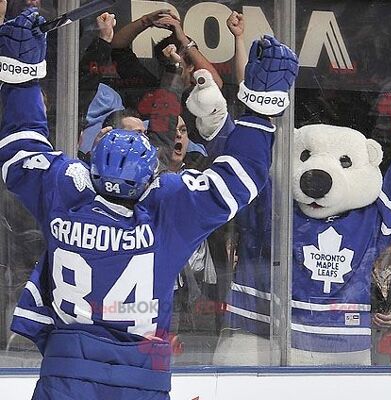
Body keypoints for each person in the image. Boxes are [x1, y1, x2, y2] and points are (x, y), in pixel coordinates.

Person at [0, 8, 298, 399]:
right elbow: (239, 176)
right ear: (149, 178)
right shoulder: (167, 207)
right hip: (143, 373)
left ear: (91, 168)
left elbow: (20, 148)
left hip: (65, 368)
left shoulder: (65, 191)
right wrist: (261, 109)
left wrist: (20, 75)